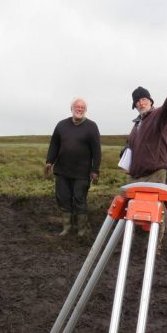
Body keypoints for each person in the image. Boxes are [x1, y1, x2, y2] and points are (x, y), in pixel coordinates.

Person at [127, 77, 167, 247]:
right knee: (132, 208)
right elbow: (133, 146)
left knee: (156, 209)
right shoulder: (137, 124)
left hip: (154, 172)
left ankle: (156, 246)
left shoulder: (158, 116)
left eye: (144, 99)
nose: (141, 103)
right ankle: (129, 243)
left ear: (150, 101)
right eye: (137, 102)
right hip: (136, 174)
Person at [44, 98, 101, 237]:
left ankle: (82, 229)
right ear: (72, 109)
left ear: (85, 110)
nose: (79, 109)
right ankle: (66, 227)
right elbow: (54, 145)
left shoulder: (91, 127)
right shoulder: (61, 125)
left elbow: (96, 150)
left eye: (82, 107)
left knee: (79, 199)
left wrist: (95, 170)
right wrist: (49, 162)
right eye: (77, 106)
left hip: (82, 173)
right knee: (63, 198)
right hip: (62, 171)